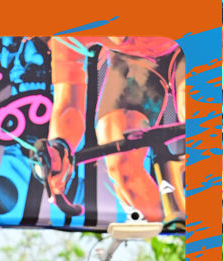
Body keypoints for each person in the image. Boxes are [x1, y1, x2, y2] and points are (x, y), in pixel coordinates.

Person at [41, 35, 185, 224]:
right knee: (121, 165)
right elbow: (68, 104)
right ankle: (165, 230)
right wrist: (59, 148)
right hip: (134, 58)